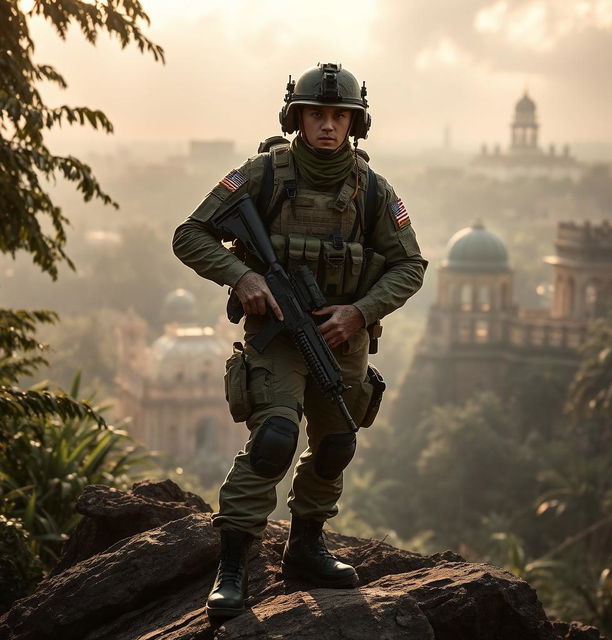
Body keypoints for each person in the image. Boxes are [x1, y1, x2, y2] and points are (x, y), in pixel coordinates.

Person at [172, 62, 427, 621]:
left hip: (343, 335)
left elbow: (411, 266)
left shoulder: (374, 191)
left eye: (340, 116)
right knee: (275, 439)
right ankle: (233, 566)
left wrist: (360, 313)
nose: (329, 126)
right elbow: (189, 235)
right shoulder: (262, 175)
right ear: (298, 117)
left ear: (355, 123)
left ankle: (306, 549)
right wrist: (241, 276)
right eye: (318, 114)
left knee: (336, 444)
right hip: (278, 334)